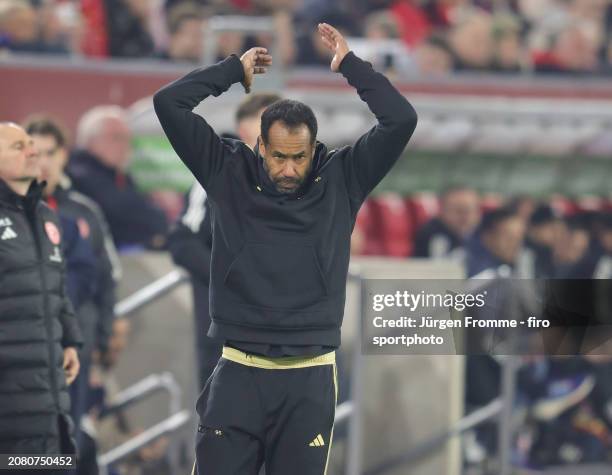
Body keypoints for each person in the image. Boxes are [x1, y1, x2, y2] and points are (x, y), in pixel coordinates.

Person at [154, 22, 418, 474]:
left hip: (310, 376)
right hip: (237, 369)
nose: (289, 168)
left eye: (300, 156)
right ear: (259, 146)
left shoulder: (343, 177)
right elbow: (169, 102)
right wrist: (231, 71)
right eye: (279, 156)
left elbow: (401, 119)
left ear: (315, 149)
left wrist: (352, 67)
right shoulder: (225, 169)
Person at [168, 93, 281, 391]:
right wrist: (231, 279)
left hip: (279, 329)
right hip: (226, 329)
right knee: (224, 420)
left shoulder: (296, 181)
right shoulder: (217, 171)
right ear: (244, 128)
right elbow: (182, 240)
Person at [25, 116, 121, 458]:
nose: (43, 162)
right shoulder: (11, 215)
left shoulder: (84, 213)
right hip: (22, 349)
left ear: (64, 155)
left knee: (69, 440)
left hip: (74, 348)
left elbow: (106, 278)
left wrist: (104, 339)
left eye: (50, 152)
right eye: (34, 152)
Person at [0, 122, 82, 462]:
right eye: (19, 147)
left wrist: (70, 341)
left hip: (50, 406)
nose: (33, 152)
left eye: (31, 144)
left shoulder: (45, 214)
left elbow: (56, 288)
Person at [67, 105, 168, 249]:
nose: (125, 145)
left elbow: (153, 217)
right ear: (90, 140)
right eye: (117, 137)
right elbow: (124, 210)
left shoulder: (120, 177)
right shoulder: (80, 174)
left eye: (128, 139)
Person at [413, 186, 481, 259]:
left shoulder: (485, 233)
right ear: (442, 211)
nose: (464, 217)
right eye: (459, 211)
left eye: (469, 211)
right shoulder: (431, 234)